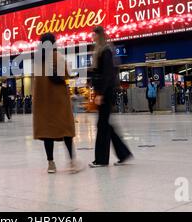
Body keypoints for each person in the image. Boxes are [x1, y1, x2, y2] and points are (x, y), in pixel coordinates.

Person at [33, 33, 82, 174]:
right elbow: (65, 75)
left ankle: (51, 164)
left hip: (43, 103)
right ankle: (72, 162)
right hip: (59, 101)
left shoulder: (38, 61)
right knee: (66, 131)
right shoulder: (58, 57)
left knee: (47, 132)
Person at [89, 26, 132, 168]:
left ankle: (101, 160)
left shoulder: (105, 50)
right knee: (106, 125)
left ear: (99, 35)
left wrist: (100, 93)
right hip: (104, 92)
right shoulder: (101, 50)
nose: (92, 37)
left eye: (94, 35)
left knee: (102, 125)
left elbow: (107, 74)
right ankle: (123, 153)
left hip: (106, 93)